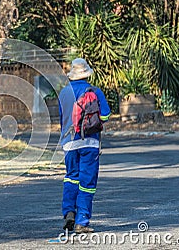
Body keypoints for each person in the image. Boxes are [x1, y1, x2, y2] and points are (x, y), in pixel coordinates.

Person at [58, 58, 111, 233]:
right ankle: (82, 221)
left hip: (69, 143)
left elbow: (62, 119)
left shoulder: (64, 93)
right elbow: (104, 116)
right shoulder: (95, 91)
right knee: (87, 181)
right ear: (87, 74)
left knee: (71, 176)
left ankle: (68, 212)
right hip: (90, 142)